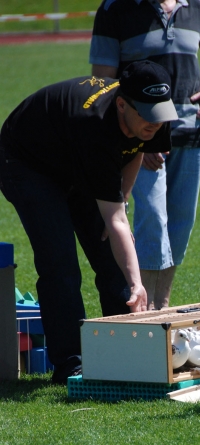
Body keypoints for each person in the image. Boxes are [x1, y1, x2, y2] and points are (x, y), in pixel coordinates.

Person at [0, 60, 178, 384]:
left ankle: (125, 351)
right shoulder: (95, 125)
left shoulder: (153, 115)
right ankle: (72, 364)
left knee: (111, 256)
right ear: (123, 104)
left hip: (74, 159)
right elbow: (116, 220)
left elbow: (137, 150)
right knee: (61, 262)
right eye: (148, 116)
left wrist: (122, 197)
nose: (156, 123)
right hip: (26, 163)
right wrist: (138, 284)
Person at [89, 0, 200, 310]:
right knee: (152, 220)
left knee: (180, 223)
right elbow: (102, 83)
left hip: (192, 134)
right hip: (140, 136)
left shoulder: (195, 7)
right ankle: (144, 308)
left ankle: (162, 306)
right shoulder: (115, 10)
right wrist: (143, 138)